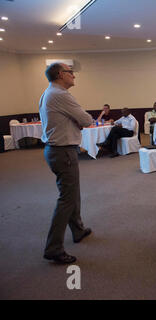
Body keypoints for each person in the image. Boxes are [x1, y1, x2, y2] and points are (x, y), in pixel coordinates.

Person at [39, 63, 93, 264]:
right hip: (63, 152)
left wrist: (76, 121)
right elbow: (86, 119)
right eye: (71, 73)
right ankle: (53, 248)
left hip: (55, 151)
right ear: (61, 74)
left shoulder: (48, 93)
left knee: (72, 193)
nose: (74, 76)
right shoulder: (61, 94)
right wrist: (80, 121)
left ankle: (77, 230)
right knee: (67, 198)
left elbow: (70, 120)